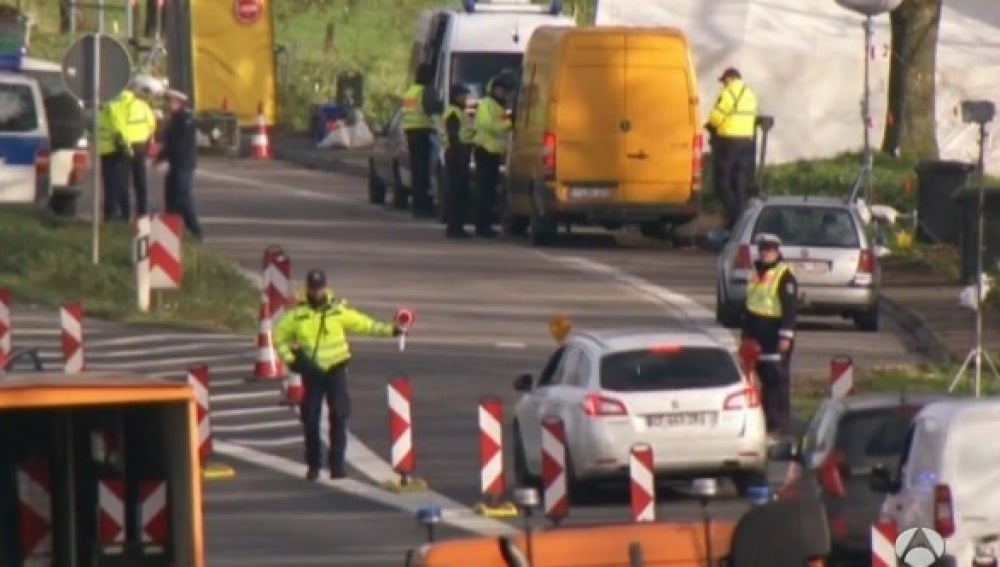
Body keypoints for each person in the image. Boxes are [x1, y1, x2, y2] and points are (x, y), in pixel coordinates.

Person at [273, 269, 404, 480]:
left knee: (339, 415)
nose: (317, 293)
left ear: (325, 287)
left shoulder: (337, 310)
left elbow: (365, 324)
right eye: (313, 289)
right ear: (308, 289)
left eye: (320, 288)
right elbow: (279, 338)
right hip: (312, 371)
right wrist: (292, 360)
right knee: (311, 418)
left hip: (337, 368)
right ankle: (313, 466)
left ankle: (337, 466)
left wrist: (392, 330)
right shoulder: (297, 315)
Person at [741, 233, 798, 440]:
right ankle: (765, 421)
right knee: (761, 381)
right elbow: (750, 305)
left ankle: (779, 424)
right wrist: (745, 335)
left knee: (777, 382)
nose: (766, 253)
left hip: (775, 337)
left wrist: (785, 337)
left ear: (777, 251)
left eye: (770, 250)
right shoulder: (756, 273)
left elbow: (790, 309)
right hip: (756, 337)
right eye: (763, 249)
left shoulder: (784, 276)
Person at [706, 67, 758, 229]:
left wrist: (712, 125)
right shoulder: (750, 94)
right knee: (739, 180)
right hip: (747, 141)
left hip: (728, 140)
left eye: (724, 81)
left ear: (730, 78)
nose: (723, 84)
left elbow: (715, 118)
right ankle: (742, 217)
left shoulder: (728, 93)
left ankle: (735, 217)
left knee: (722, 181)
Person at [154, 89, 202, 240]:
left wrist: (164, 156)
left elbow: (178, 144)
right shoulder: (173, 119)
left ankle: (195, 232)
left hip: (183, 164)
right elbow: (169, 142)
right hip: (175, 164)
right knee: (171, 199)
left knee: (182, 198)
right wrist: (160, 158)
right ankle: (171, 234)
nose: (168, 104)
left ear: (179, 102)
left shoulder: (186, 119)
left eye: (171, 101)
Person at [472, 75, 513, 238]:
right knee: (484, 191)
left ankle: (485, 225)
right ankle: (482, 226)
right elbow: (488, 125)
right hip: (485, 151)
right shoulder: (487, 105)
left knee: (489, 192)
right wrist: (509, 123)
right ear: (494, 89)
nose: (503, 93)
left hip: (493, 153)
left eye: (505, 91)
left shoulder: (497, 106)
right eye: (501, 90)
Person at [401, 63, 440, 218]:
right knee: (422, 171)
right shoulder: (425, 91)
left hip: (410, 132)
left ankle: (418, 205)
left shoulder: (411, 91)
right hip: (422, 131)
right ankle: (422, 206)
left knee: (416, 170)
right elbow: (432, 109)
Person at [439, 84, 475, 239]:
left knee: (460, 191)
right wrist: (461, 151)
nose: (465, 98)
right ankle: (454, 228)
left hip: (459, 153)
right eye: (463, 95)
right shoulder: (453, 113)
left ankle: (456, 226)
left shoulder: (459, 112)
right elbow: (454, 135)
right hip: (456, 154)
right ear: (455, 96)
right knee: (456, 192)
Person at [123, 79, 158, 218]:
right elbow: (152, 124)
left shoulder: (120, 105)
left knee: (124, 183)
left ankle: (125, 214)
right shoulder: (143, 106)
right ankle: (142, 211)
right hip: (140, 146)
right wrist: (148, 137)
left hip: (125, 147)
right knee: (140, 182)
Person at [96, 94, 131, 221]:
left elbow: (118, 125)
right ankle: (117, 214)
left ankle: (114, 215)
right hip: (108, 151)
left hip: (114, 151)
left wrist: (120, 142)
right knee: (114, 184)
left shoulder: (112, 105)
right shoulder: (107, 106)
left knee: (114, 185)